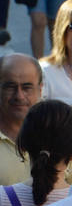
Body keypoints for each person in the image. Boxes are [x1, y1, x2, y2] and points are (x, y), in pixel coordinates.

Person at [0, 52, 42, 183]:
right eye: (10, 87)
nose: (19, 96)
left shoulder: (57, 134)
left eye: (27, 87)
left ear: (40, 89)